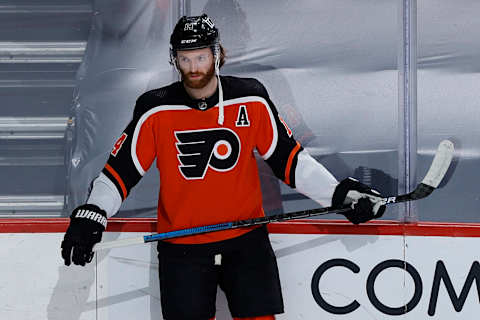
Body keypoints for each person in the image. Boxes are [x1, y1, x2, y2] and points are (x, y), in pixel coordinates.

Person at [61, 14, 386, 320]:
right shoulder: (155, 108)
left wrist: (339, 194)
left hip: (246, 242)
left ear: (217, 55)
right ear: (174, 59)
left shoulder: (251, 98)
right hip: (182, 248)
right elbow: (119, 173)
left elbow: (289, 160)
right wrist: (94, 212)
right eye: (185, 59)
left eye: (200, 57)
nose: (193, 68)